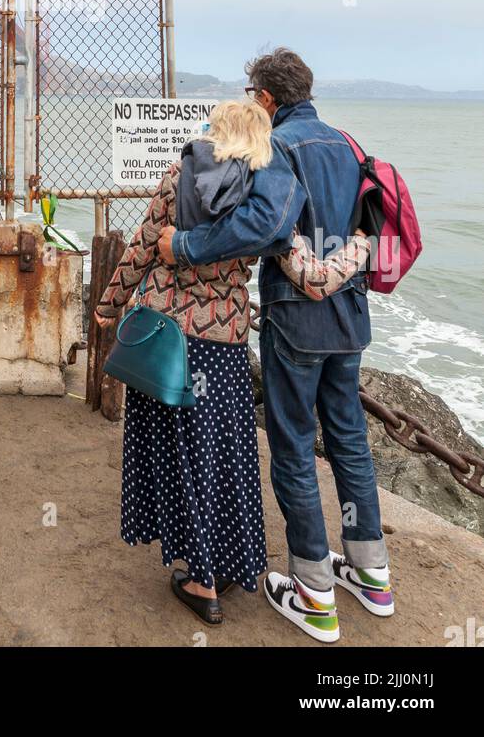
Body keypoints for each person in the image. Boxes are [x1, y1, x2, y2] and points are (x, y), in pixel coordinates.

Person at [95, 99, 367, 626]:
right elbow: (308, 276)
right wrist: (361, 246)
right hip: (224, 345)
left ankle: (198, 578)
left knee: (177, 455)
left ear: (216, 131)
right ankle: (218, 567)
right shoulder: (265, 196)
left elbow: (142, 249)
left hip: (168, 342)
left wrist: (108, 308)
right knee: (220, 458)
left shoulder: (181, 175)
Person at [159, 49, 392, 643]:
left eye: (250, 89)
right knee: (348, 441)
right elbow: (373, 220)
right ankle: (371, 573)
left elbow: (263, 223)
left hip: (298, 319)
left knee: (291, 447)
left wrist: (185, 246)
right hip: (352, 314)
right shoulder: (346, 142)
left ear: (264, 98)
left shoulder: (278, 146)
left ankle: (313, 590)